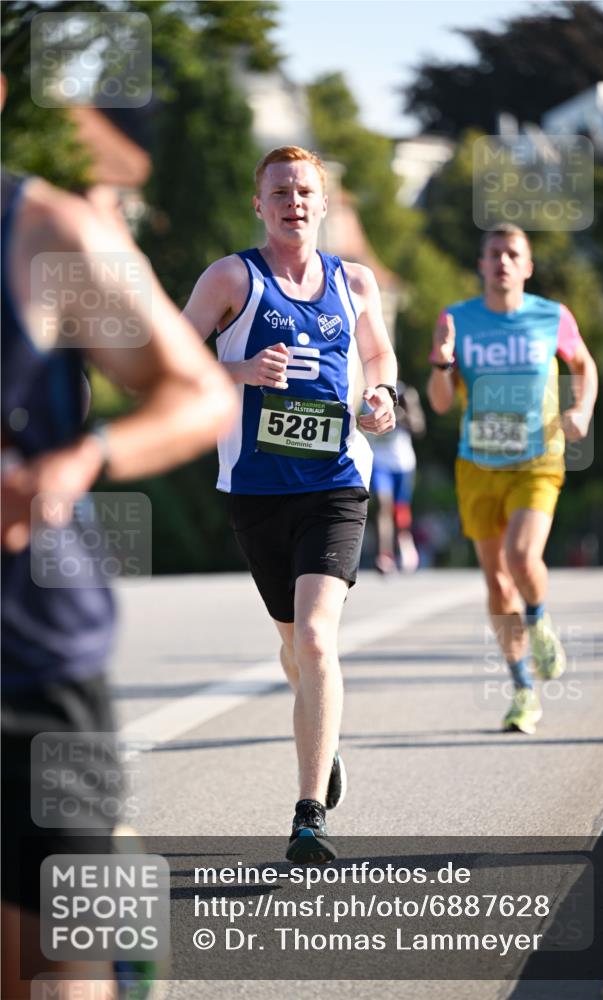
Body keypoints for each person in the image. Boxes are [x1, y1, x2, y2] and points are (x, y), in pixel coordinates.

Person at [1, 153, 237, 997]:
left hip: (33, 664)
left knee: (52, 972)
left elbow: (200, 394)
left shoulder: (45, 234)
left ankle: (111, 944)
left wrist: (77, 462)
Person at [183, 145, 398, 862]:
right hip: (255, 488)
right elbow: (171, 363)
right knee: (291, 643)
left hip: (336, 483)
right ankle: (322, 738)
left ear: (323, 202)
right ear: (259, 203)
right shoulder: (230, 279)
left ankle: (308, 817)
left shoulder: (355, 282)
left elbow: (381, 359)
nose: (293, 203)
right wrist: (237, 367)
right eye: (279, 192)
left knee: (313, 638)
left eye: (304, 191)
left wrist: (380, 397)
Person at [427, 222, 598, 735]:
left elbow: (585, 365)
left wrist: (582, 409)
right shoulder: (456, 319)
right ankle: (523, 689)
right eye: (494, 253)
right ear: (481, 265)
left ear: (527, 266)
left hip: (536, 459)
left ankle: (540, 617)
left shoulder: (553, 316)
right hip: (477, 464)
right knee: (497, 583)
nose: (502, 261)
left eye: (512, 254)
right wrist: (440, 362)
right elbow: (439, 404)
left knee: (523, 558)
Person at [370, 380, 425, 573]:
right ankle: (384, 555)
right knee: (383, 506)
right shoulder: (364, 394)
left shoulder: (405, 393)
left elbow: (419, 427)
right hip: (379, 462)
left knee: (399, 510)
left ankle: (404, 540)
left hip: (402, 463)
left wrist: (401, 416)